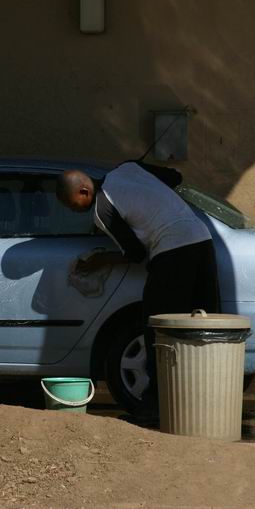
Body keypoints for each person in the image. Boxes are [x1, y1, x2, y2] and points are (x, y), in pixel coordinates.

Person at [56, 162, 220, 411]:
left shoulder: (102, 208)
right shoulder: (129, 167)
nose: (73, 211)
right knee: (204, 325)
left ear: (83, 192)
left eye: (71, 205)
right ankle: (211, 400)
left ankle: (155, 405)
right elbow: (174, 176)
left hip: (172, 250)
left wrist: (101, 260)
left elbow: (135, 253)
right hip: (202, 239)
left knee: (158, 327)